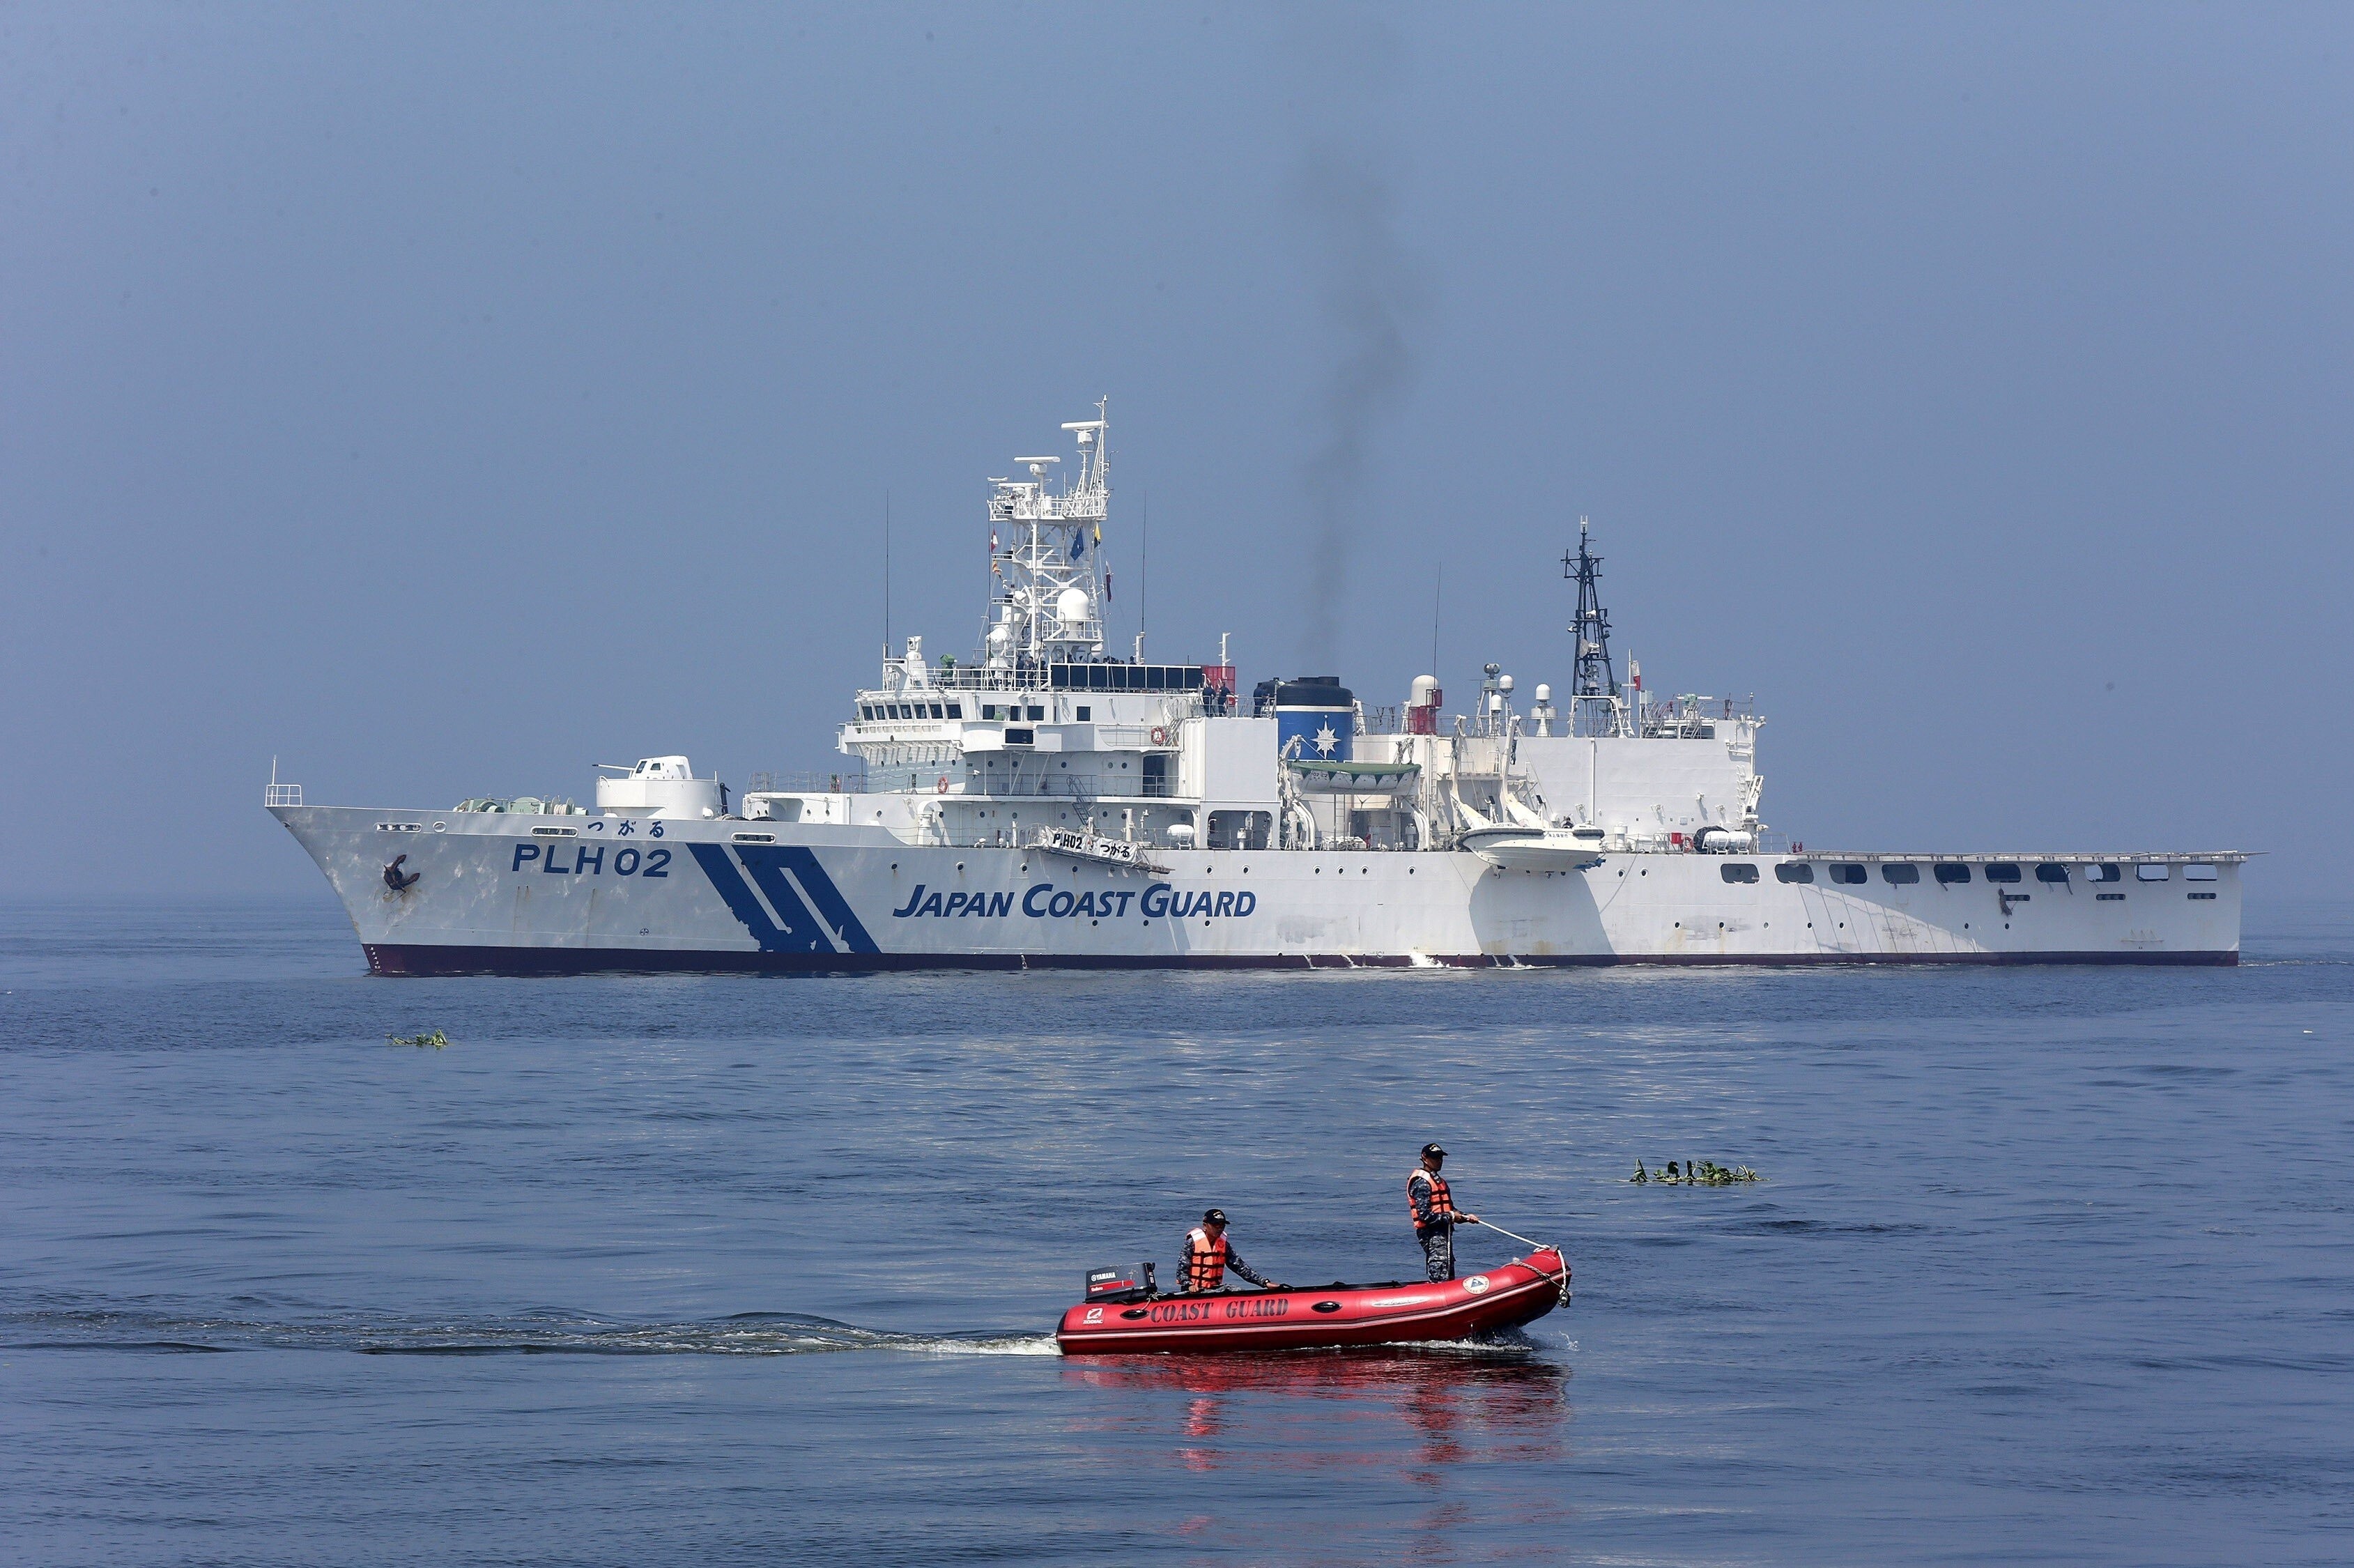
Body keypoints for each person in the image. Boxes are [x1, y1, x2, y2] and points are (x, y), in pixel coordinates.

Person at [1408, 1143, 1480, 1282]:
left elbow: (1449, 1209)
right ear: (1425, 1158)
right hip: (1431, 1234)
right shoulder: (1422, 1183)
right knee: (1439, 1267)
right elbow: (1425, 1216)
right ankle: (1438, 1293)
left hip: (1444, 1232)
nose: (1439, 1161)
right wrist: (1452, 1216)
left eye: (1441, 1158)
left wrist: (1465, 1217)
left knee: (1448, 1266)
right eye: (1435, 1158)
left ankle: (1449, 1293)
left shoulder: (1439, 1181)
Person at [1179, 1208, 1286, 1293]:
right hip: (1194, 1292)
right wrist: (1189, 1285)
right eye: (1216, 1225)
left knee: (1237, 1291)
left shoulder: (1224, 1245)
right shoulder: (1192, 1243)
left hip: (1213, 1289)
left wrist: (1265, 1283)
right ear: (1205, 1225)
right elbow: (1181, 1270)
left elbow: (1240, 1267)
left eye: (1222, 1225)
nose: (1220, 1228)